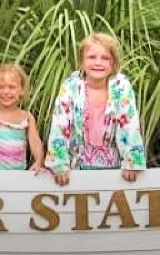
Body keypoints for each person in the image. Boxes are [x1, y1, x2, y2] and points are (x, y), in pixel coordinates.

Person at [44, 32, 145, 186]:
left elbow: (129, 124)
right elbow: (60, 124)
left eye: (105, 58)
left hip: (114, 169)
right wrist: (59, 164)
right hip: (75, 168)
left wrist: (131, 162)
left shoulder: (121, 87)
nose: (98, 62)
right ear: (82, 62)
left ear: (113, 64)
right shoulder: (70, 86)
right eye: (92, 57)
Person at [0, 63, 45, 178]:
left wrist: (39, 161)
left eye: (12, 87)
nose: (6, 91)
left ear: (22, 90)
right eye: (1, 87)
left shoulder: (27, 117)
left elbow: (35, 142)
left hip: (21, 175)